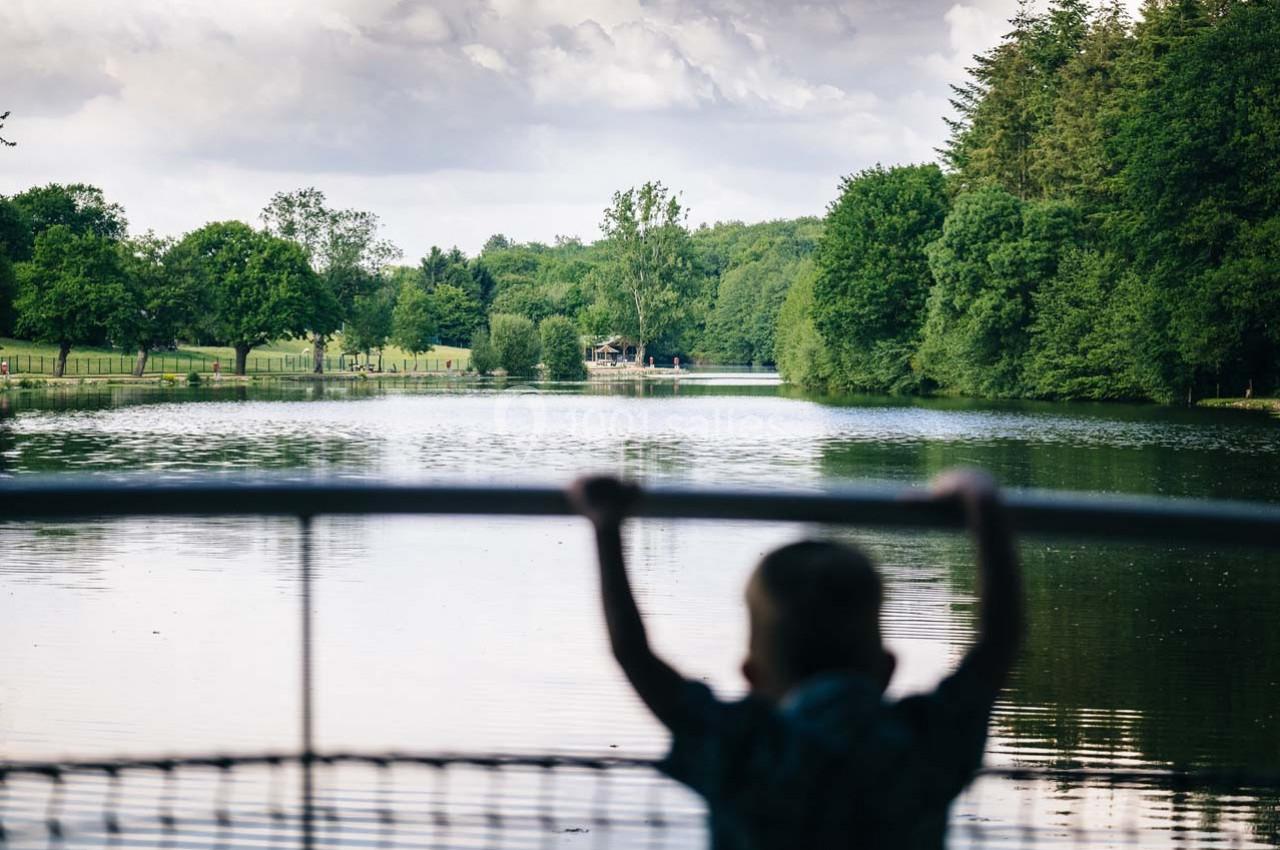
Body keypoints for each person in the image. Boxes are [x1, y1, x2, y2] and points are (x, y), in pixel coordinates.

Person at [566, 470, 1023, 850]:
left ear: (751, 676)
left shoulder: (742, 749)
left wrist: (605, 525)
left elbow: (633, 655)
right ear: (887, 669)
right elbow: (999, 642)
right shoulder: (922, 745)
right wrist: (983, 506)